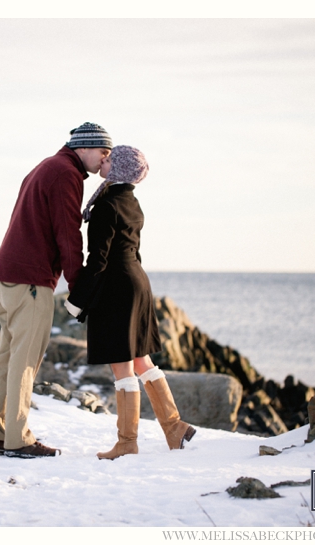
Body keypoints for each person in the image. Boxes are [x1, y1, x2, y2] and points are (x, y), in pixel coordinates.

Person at [0, 122, 113, 458]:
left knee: (7, 359)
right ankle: (18, 439)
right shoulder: (65, 174)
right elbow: (67, 234)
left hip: (6, 275)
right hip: (30, 280)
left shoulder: (47, 166)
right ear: (85, 148)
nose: (105, 158)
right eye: (103, 151)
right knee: (24, 362)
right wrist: (78, 284)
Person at [64, 145, 196, 460]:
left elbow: (97, 261)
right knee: (141, 361)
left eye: (109, 159)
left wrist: (77, 301)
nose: (104, 161)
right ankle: (174, 426)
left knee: (123, 366)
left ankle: (127, 442)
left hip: (116, 289)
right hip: (138, 283)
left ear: (119, 169)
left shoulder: (106, 206)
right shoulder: (132, 203)